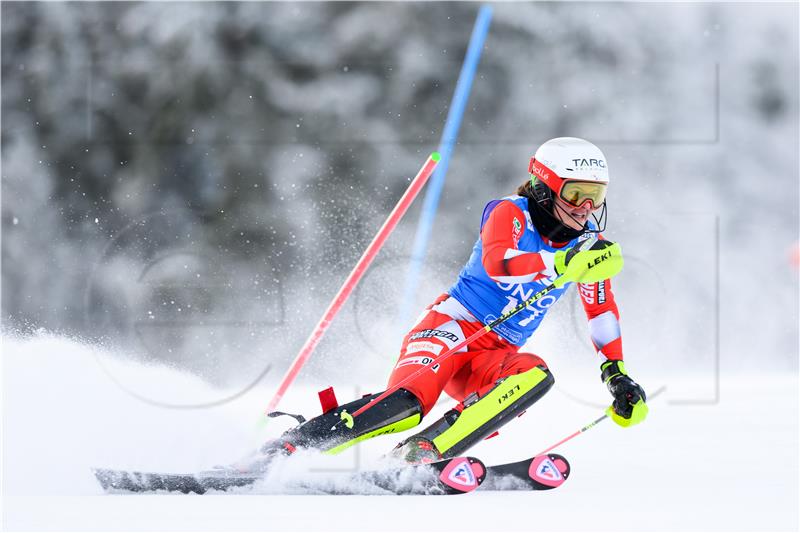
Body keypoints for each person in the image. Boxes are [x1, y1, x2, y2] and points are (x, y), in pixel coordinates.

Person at [257, 137, 648, 466]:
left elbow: (601, 311)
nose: (585, 208)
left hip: (491, 356)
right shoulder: (510, 212)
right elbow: (500, 263)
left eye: (595, 197)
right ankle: (291, 447)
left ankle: (422, 453)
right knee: (407, 405)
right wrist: (561, 261)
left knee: (535, 375)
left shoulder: (585, 247)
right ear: (544, 187)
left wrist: (616, 375)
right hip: (451, 330)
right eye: (576, 193)